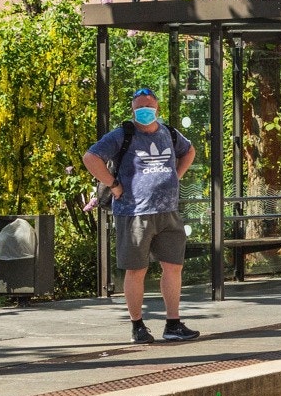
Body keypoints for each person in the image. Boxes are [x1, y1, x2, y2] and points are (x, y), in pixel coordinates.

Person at [83, 88, 198, 344]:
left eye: (149, 106)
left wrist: (175, 176)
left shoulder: (169, 133)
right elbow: (91, 157)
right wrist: (113, 185)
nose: (145, 111)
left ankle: (173, 324)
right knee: (136, 270)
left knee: (173, 267)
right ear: (133, 110)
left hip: (168, 211)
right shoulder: (122, 134)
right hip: (134, 213)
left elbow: (189, 151)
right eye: (139, 108)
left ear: (158, 108)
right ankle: (137, 326)